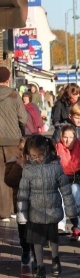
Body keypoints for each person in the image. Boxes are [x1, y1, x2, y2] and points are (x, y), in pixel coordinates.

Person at [17, 135, 77, 278]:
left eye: (41, 155)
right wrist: (22, 215)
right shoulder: (28, 170)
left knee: (53, 238)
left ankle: (55, 259)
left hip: (52, 210)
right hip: (35, 212)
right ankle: (40, 266)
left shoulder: (55, 166)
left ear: (47, 150)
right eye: (33, 156)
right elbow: (23, 194)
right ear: (28, 154)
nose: (38, 158)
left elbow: (66, 190)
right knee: (37, 241)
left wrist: (71, 211)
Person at [0, 66, 28, 222]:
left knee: (0, 177)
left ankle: (3, 212)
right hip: (13, 141)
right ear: (8, 79)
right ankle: (15, 208)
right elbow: (23, 118)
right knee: (14, 173)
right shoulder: (14, 95)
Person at [4, 137, 36, 268]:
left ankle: (36, 256)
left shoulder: (36, 164)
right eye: (21, 150)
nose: (22, 154)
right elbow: (10, 181)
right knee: (23, 230)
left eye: (25, 151)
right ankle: (25, 248)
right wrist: (18, 166)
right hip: (21, 203)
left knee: (35, 230)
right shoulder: (13, 163)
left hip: (35, 203)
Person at [55, 124, 80, 239]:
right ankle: (61, 222)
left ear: (75, 137)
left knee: (74, 189)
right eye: (65, 137)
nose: (68, 140)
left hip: (78, 181)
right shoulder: (56, 149)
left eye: (71, 137)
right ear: (61, 137)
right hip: (61, 182)